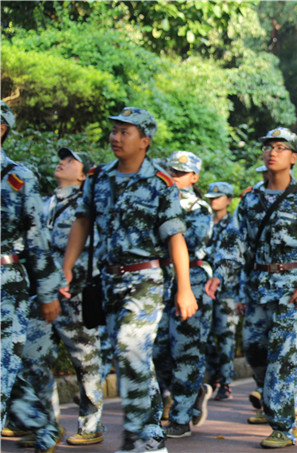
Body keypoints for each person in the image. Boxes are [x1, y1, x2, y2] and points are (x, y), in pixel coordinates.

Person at [62, 107, 198, 453]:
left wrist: (184, 289)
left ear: (144, 141)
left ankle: (139, 439)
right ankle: (150, 434)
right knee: (131, 358)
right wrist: (67, 267)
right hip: (108, 281)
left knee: (129, 348)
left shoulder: (160, 183)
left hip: (146, 280)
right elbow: (82, 221)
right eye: (114, 131)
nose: (116, 137)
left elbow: (175, 237)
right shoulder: (98, 177)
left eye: (125, 132)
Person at [205, 127, 297, 449]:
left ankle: (282, 427)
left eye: (280, 148)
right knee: (255, 353)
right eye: (268, 147)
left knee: (283, 357)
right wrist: (221, 274)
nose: (272, 153)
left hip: (291, 291)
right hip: (257, 288)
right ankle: (291, 398)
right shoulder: (250, 199)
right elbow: (234, 242)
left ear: (293, 157)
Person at [7, 146, 106, 449]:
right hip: (44, 296)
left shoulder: (88, 207)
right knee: (32, 358)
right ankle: (46, 425)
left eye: (71, 160)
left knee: (85, 362)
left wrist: (74, 280)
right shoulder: (44, 203)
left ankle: (91, 425)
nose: (62, 163)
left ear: (83, 175)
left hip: (75, 296)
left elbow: (97, 250)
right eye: (62, 158)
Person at [1, 101, 63, 453]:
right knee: (6, 368)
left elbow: (36, 239)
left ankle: (41, 423)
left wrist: (47, 292)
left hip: (6, 284)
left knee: (3, 365)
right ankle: (41, 422)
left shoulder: (17, 178)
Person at [153, 151, 214, 439]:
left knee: (186, 351)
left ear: (194, 177)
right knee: (157, 351)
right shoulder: (156, 200)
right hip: (160, 280)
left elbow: (188, 241)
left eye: (180, 173)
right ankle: (193, 392)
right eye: (171, 172)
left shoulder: (199, 208)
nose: (174, 177)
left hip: (192, 279)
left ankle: (181, 416)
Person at [204, 182, 238, 401]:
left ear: (229, 200)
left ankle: (225, 382)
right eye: (211, 198)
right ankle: (213, 374)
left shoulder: (234, 225)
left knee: (226, 336)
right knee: (204, 336)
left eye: (218, 197)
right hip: (204, 288)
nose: (213, 201)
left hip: (228, 290)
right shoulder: (203, 222)